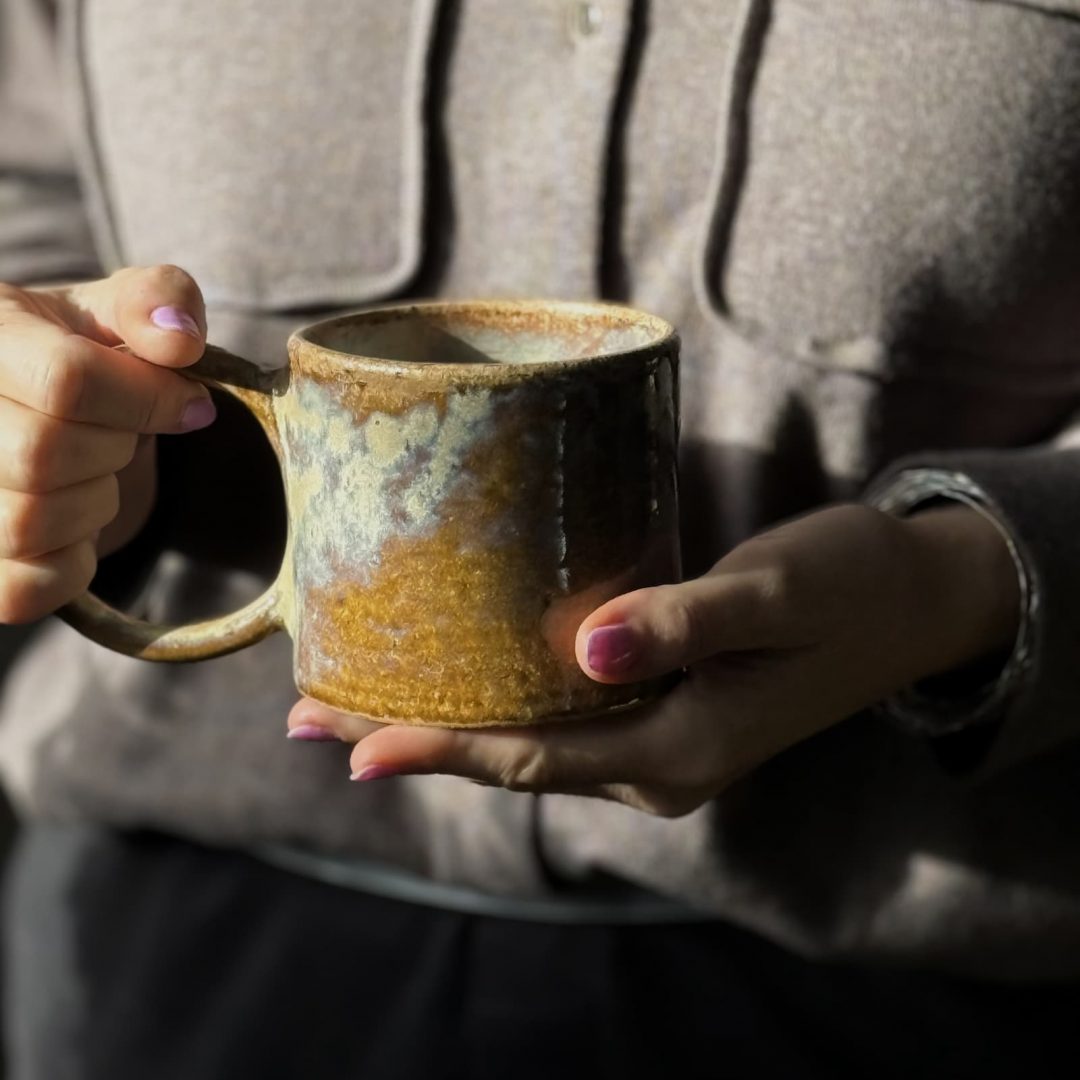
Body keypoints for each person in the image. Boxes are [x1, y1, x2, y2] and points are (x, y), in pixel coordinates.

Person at [3, 0, 1080, 1076]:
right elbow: (28, 201)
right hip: (182, 956)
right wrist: (70, 435)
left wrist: (965, 576)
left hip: (917, 984)